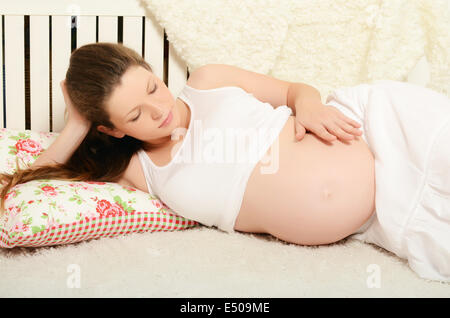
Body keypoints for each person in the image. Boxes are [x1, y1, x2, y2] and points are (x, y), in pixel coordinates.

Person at [0, 42, 374, 247]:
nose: (160, 109)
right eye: (135, 116)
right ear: (112, 130)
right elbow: (34, 188)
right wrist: (77, 123)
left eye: (152, 87)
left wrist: (309, 105)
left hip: (375, 137)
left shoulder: (209, 82)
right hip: (377, 224)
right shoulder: (139, 170)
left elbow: (294, 90)